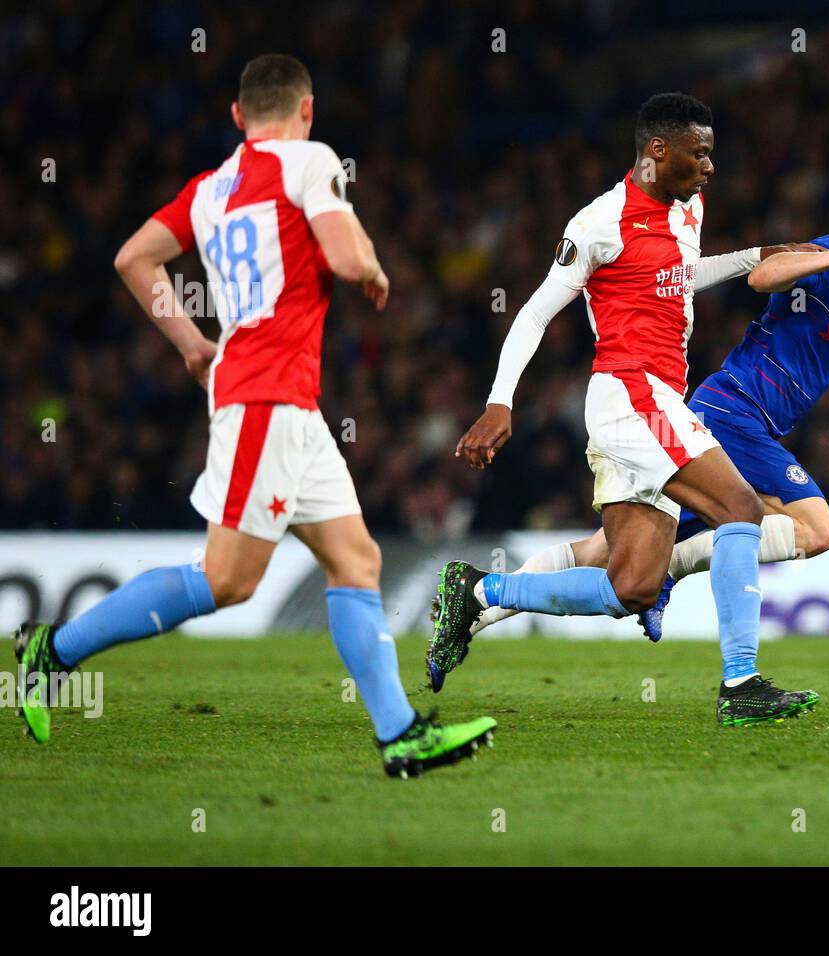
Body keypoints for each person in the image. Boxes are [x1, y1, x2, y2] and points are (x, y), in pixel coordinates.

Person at [14, 54, 495, 778]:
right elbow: (341, 253)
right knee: (226, 580)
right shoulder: (309, 160)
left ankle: (399, 736)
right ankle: (51, 651)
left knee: (356, 560)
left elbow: (133, 258)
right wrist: (371, 264)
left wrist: (189, 343)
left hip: (287, 404)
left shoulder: (210, 189)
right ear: (307, 111)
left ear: (238, 117)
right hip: (263, 398)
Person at [430, 92, 829, 724]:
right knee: (739, 509)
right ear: (656, 151)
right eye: (700, 154)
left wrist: (762, 256)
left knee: (632, 586)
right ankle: (740, 684)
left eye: (712, 155)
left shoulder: (687, 206)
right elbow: (533, 312)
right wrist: (499, 402)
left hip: (655, 398)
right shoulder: (597, 224)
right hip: (630, 393)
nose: (710, 167)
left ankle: (477, 592)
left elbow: (680, 276)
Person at [473, 210, 829, 646]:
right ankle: (688, 596)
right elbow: (763, 276)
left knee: (603, 550)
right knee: (819, 530)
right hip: (733, 414)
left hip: (742, 423)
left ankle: (474, 605)